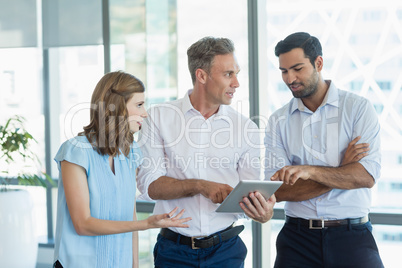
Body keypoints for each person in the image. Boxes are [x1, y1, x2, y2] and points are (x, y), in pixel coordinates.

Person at [137, 36, 276, 267]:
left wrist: (263, 212)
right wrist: (201, 186)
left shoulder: (245, 128)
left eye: (237, 73)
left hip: (227, 251)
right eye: (228, 74)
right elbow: (150, 186)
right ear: (201, 75)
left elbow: (250, 192)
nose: (236, 83)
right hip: (173, 252)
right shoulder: (158, 117)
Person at [265, 32, 384, 268]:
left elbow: (365, 176)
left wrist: (308, 171)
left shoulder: (358, 109)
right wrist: (342, 170)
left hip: (353, 237)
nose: (290, 78)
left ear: (318, 63)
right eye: (284, 71)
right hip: (296, 240)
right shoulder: (277, 120)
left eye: (297, 68)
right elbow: (279, 191)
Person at [53, 71, 191, 268]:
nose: (145, 113)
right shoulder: (76, 151)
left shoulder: (131, 153)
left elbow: (130, 215)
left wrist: (134, 265)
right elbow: (82, 224)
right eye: (139, 105)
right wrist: (147, 224)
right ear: (117, 107)